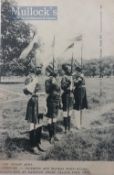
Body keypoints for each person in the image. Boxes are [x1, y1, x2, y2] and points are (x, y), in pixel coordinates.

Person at [24, 66, 45, 154]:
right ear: (33, 67)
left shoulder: (41, 77)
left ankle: (37, 143)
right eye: (37, 67)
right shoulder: (29, 77)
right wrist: (33, 82)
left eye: (41, 67)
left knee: (40, 123)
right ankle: (33, 146)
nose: (40, 68)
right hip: (33, 101)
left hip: (41, 101)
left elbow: (43, 91)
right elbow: (25, 91)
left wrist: (45, 104)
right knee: (33, 123)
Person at [45, 65, 61, 143]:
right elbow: (47, 91)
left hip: (57, 101)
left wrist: (60, 102)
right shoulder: (48, 81)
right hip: (51, 101)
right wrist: (52, 84)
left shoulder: (57, 80)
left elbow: (59, 91)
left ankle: (54, 135)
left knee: (55, 118)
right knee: (50, 118)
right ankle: (50, 136)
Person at [61, 64, 74, 133]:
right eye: (69, 69)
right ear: (66, 70)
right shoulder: (64, 77)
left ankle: (69, 127)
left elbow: (73, 87)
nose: (70, 70)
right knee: (65, 112)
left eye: (71, 69)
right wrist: (68, 83)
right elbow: (62, 87)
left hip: (71, 95)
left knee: (70, 112)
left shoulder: (71, 77)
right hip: (66, 95)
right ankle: (65, 128)